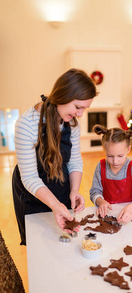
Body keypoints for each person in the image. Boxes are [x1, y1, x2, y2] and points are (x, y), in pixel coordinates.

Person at [12, 68, 97, 245]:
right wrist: (55, 205)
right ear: (63, 96)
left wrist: (74, 190)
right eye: (78, 107)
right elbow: (29, 177)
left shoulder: (72, 123)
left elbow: (74, 161)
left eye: (84, 109)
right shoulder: (26, 125)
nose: (80, 114)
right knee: (39, 245)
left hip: (60, 184)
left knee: (63, 241)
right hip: (32, 193)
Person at [89, 124, 132, 224]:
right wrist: (100, 202)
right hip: (108, 217)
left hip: (129, 217)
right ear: (105, 150)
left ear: (128, 150)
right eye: (110, 156)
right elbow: (94, 191)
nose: (115, 161)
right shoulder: (101, 166)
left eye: (120, 156)